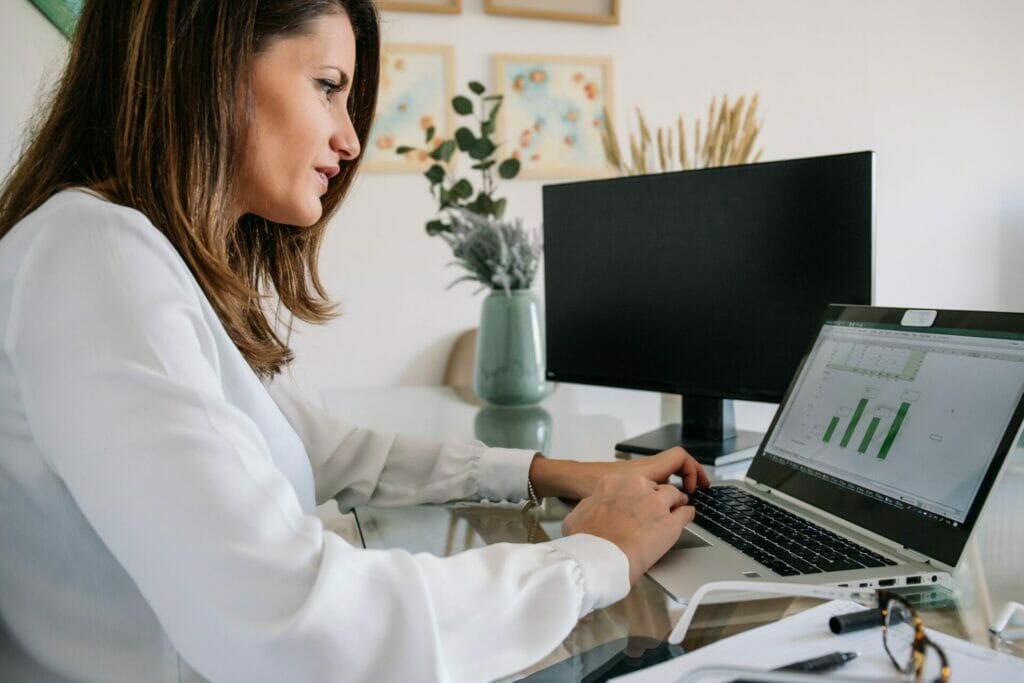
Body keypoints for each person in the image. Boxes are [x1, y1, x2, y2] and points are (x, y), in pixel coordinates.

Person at [0, 1, 710, 681]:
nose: (350, 138)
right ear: (210, 64)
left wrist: (537, 471)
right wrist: (593, 557)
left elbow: (320, 445)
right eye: (328, 87)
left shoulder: (125, 255)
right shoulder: (98, 260)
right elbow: (294, 627)